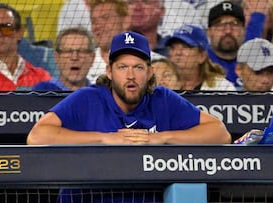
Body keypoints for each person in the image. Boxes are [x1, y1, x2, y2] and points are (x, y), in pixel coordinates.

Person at [27, 31, 231, 202]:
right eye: (122, 67)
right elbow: (37, 137)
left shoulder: (163, 99)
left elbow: (220, 134)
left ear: (150, 72)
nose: (130, 75)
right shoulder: (87, 99)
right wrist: (104, 138)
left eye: (138, 67)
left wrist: (161, 138)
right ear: (109, 71)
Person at [206, 0, 269, 87]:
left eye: (235, 24)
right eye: (220, 24)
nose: (228, 31)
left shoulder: (257, 57)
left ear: (244, 30)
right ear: (208, 32)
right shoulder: (201, 62)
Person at [165, 24, 236, 91]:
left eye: (185, 47)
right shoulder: (162, 85)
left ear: (202, 56)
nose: (178, 52)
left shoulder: (222, 88)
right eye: (173, 48)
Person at [32, 27, 95, 91]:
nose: (74, 57)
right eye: (68, 51)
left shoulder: (100, 95)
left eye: (82, 51)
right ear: (56, 58)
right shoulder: (41, 92)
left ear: (92, 58)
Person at [86, 0, 129, 84]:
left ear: (125, 21)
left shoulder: (149, 59)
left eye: (105, 18)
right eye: (94, 21)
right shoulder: (83, 62)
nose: (98, 26)